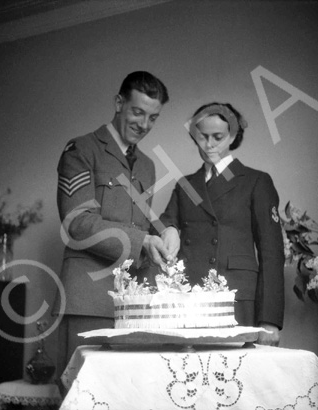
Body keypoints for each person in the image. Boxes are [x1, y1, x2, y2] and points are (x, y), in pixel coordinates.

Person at [53, 71, 171, 376]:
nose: (144, 125)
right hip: (87, 300)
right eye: (137, 112)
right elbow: (77, 223)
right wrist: (142, 241)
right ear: (119, 103)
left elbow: (137, 223)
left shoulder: (147, 164)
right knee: (81, 396)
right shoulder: (81, 150)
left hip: (132, 305)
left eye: (153, 118)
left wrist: (164, 233)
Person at [160, 102, 285, 346]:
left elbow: (272, 253)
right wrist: (171, 229)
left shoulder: (256, 181)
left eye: (218, 137)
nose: (209, 145)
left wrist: (269, 319)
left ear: (233, 136)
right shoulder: (186, 184)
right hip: (190, 300)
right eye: (202, 137)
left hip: (237, 299)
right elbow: (167, 220)